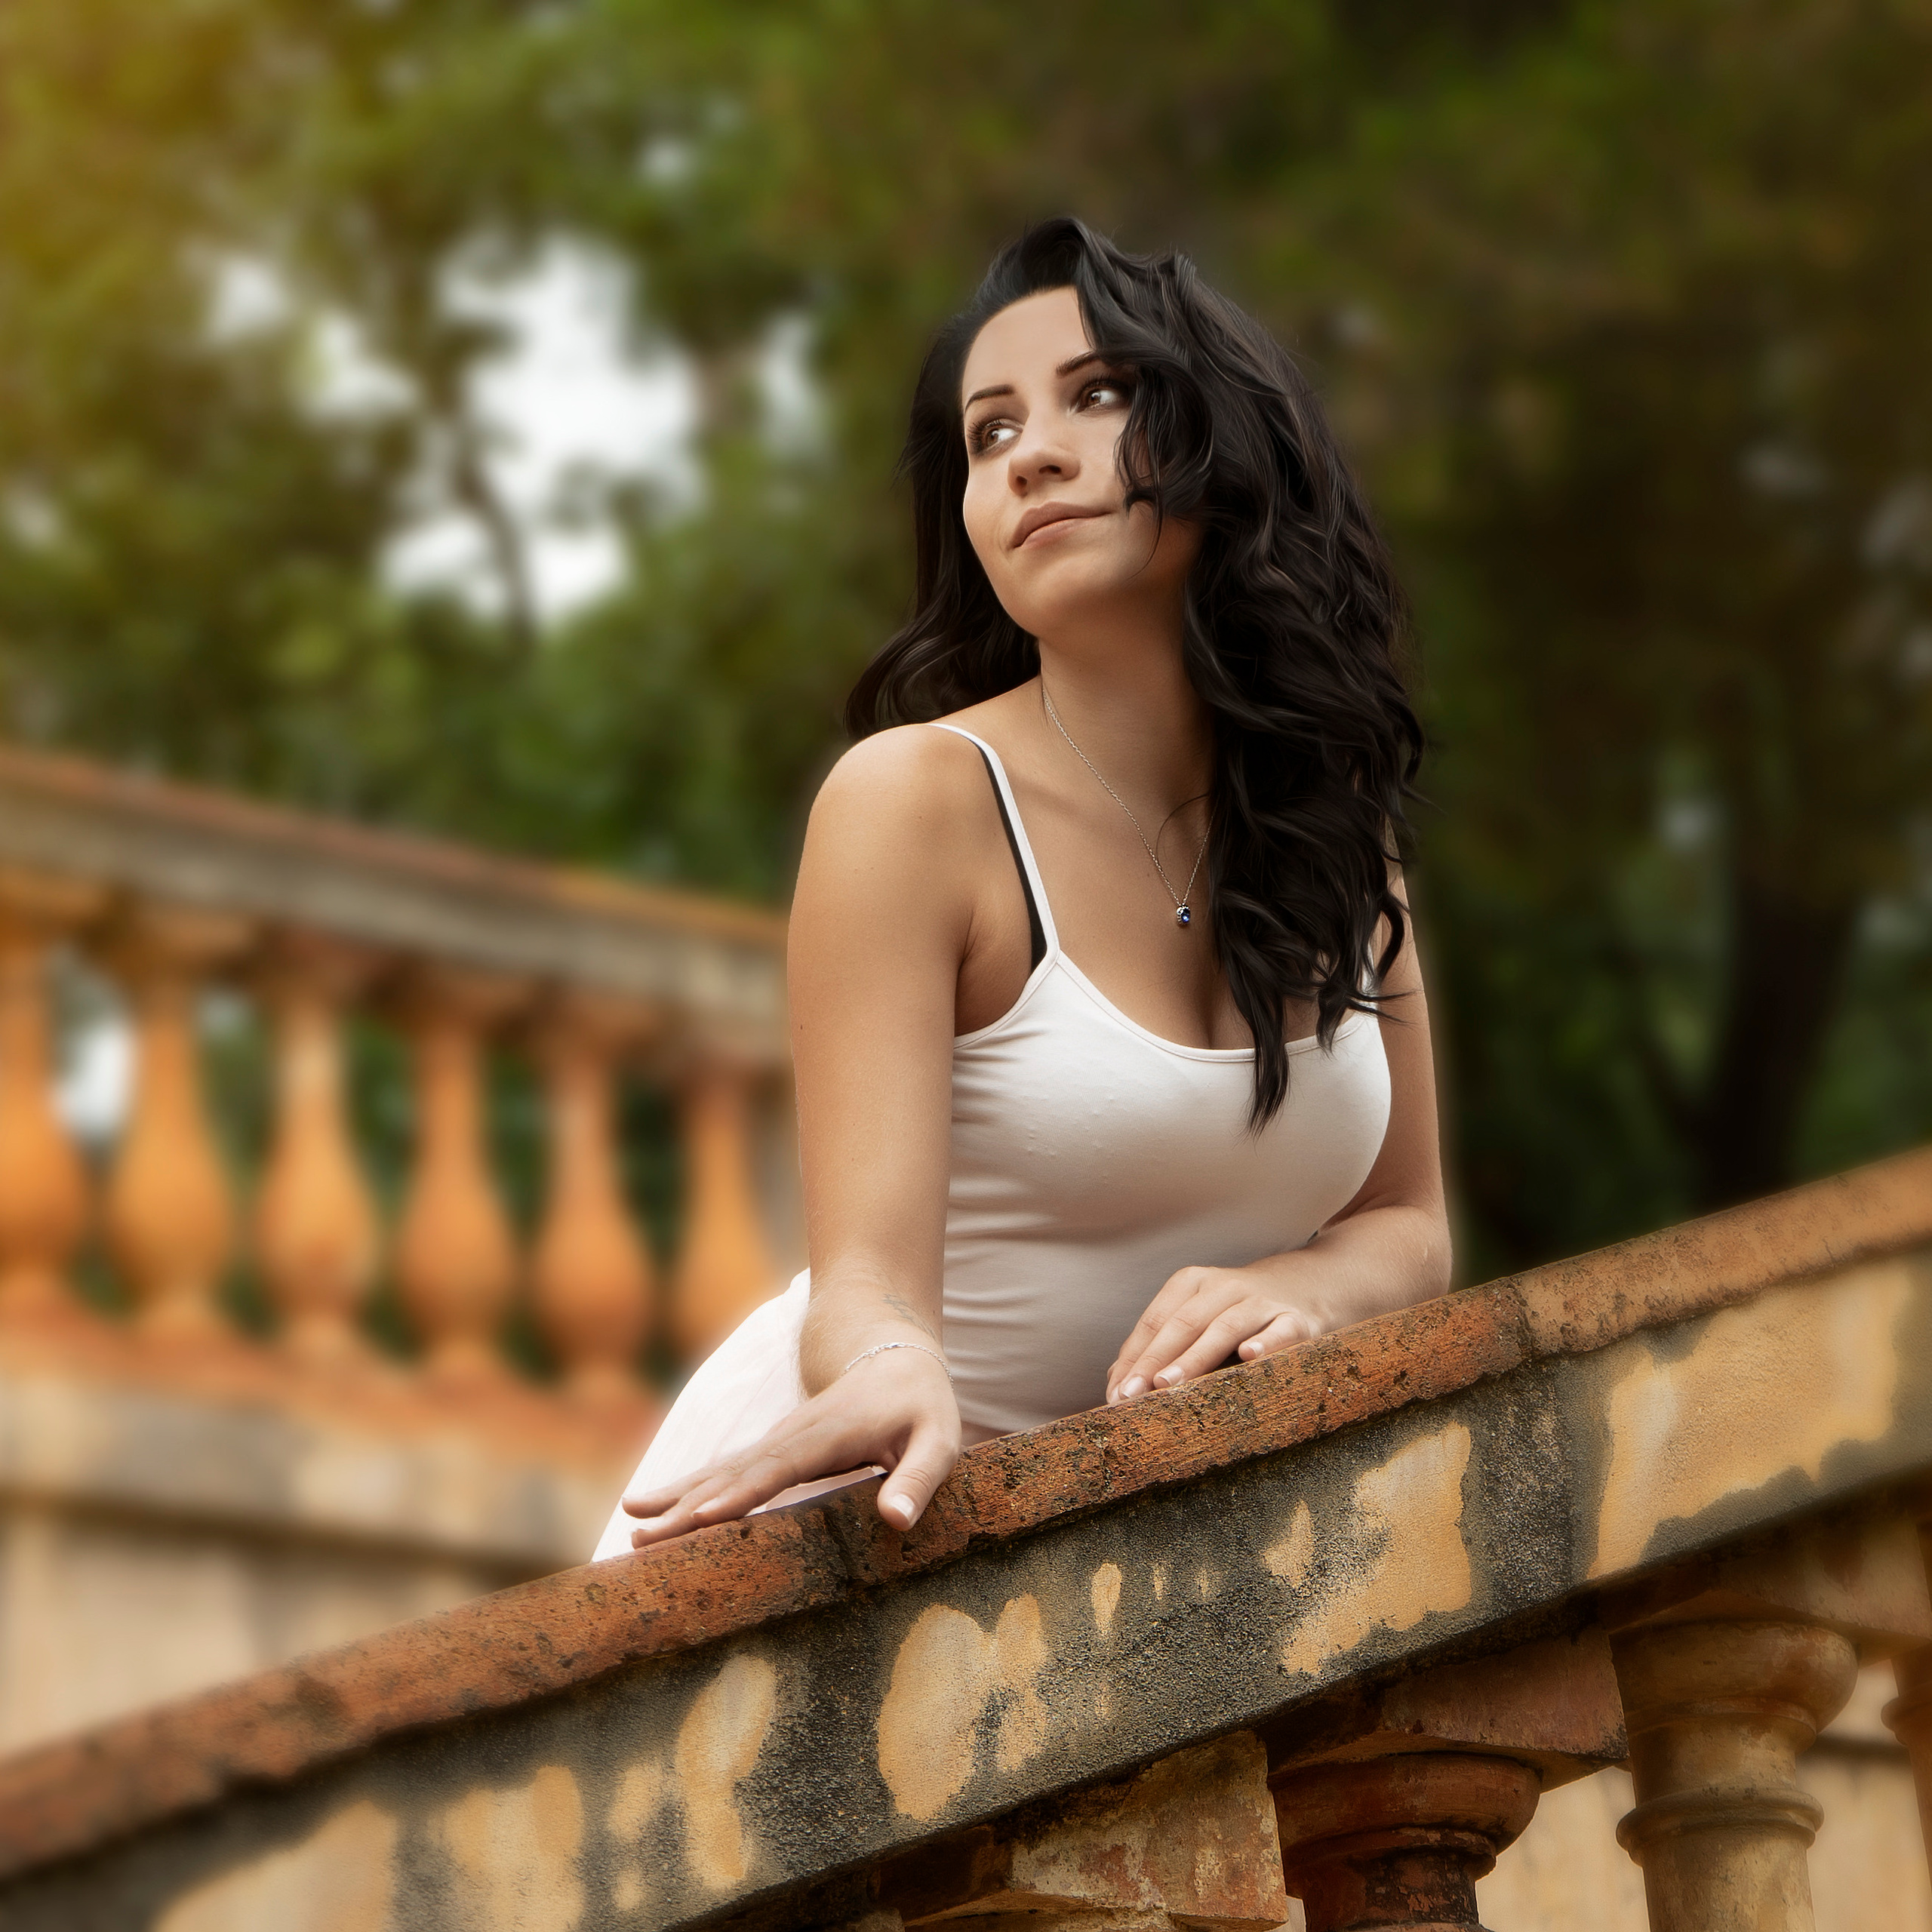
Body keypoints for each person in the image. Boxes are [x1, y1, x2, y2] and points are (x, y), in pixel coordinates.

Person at [592, 217, 1448, 1560]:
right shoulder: (914, 803)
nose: (1032, 452)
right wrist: (883, 1360)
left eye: (1096, 397)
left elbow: (1407, 1221)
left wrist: (1305, 1287)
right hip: (859, 1507)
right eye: (989, 435)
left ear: (1229, 443)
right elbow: (862, 1271)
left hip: (1142, 1543)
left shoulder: (1340, 825)